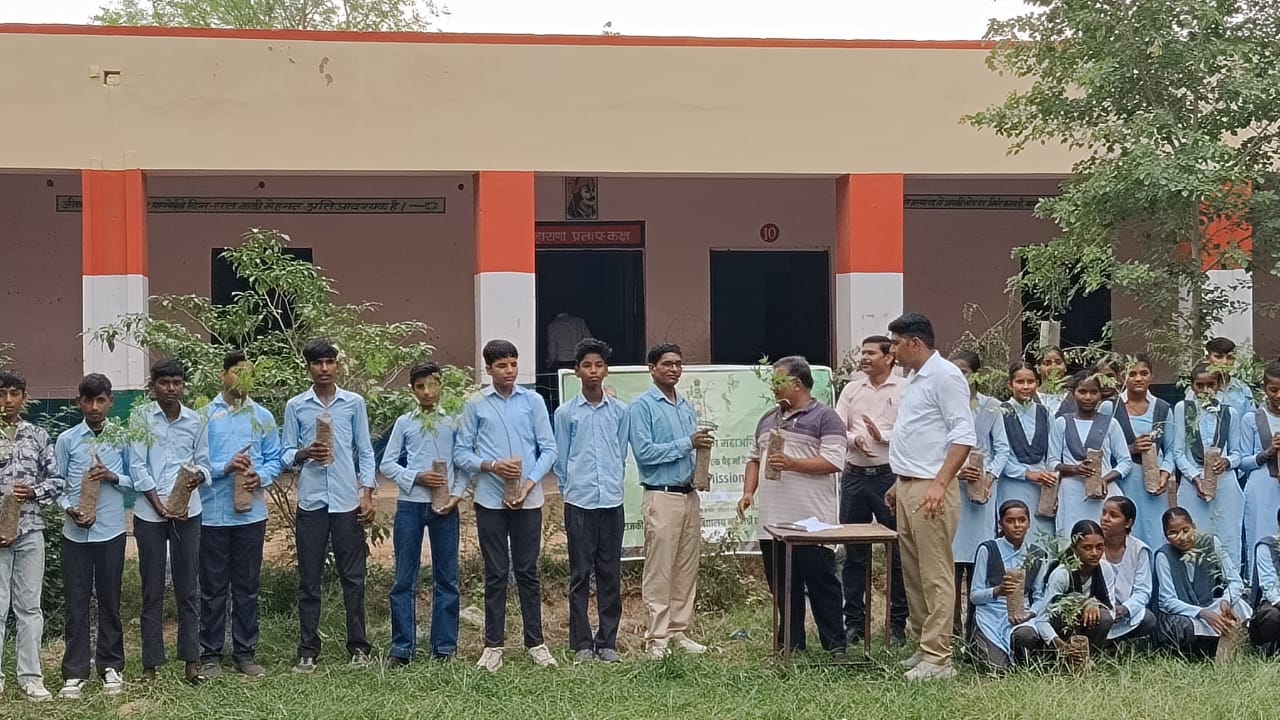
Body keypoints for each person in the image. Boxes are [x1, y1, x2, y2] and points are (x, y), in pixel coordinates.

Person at [454, 339, 559, 672]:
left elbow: (549, 449)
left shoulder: (533, 401)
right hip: (491, 501)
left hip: (529, 500)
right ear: (488, 369)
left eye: (513, 364)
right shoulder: (476, 404)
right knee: (496, 573)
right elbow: (461, 453)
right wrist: (491, 466)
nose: (509, 371)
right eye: (502, 365)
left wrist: (529, 484)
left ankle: (536, 643)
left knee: (527, 572)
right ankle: (493, 646)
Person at [883, 313, 975, 681]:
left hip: (932, 487)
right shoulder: (915, 379)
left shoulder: (946, 376)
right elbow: (919, 435)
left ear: (915, 343)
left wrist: (939, 483)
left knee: (935, 571)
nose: (892, 351)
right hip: (909, 484)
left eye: (895, 343)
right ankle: (925, 646)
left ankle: (940, 658)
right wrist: (899, 482)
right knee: (914, 571)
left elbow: (963, 436)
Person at [738, 356, 848, 658]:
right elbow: (754, 459)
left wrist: (791, 463)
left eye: (778, 381)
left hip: (812, 522)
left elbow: (833, 461)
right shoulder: (767, 418)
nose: (773, 387)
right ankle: (791, 643)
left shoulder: (826, 417)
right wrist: (748, 492)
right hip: (772, 522)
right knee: (783, 586)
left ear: (797, 383)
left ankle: (835, 645)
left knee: (822, 583)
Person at [282, 338, 378, 673]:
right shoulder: (297, 406)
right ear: (308, 367)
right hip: (312, 502)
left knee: (353, 577)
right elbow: (285, 454)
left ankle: (358, 647)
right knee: (309, 578)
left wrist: (367, 494)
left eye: (329, 362)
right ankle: (308, 650)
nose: (324, 369)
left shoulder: (353, 403)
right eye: (317, 363)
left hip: (346, 502)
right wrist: (304, 453)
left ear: (337, 365)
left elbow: (365, 451)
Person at [198, 350, 282, 678]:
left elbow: (275, 459)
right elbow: (198, 463)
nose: (242, 378)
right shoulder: (205, 416)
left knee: (247, 586)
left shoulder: (263, 416)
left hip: (251, 516)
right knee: (213, 587)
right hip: (211, 514)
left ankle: (245, 652)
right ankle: (210, 654)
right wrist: (225, 467)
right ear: (223, 375)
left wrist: (260, 476)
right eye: (236, 371)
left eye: (248, 373)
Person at [129, 359, 212, 685]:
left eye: (177, 382)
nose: (171, 388)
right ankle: (150, 666)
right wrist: (160, 505)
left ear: (183, 386)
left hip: (188, 513)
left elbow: (204, 463)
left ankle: (192, 663)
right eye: (164, 383)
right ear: (153, 386)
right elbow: (137, 466)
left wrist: (197, 479)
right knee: (152, 590)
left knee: (188, 589)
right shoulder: (141, 418)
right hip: (150, 514)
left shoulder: (196, 420)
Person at [628, 342, 713, 658]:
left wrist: (699, 469)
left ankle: (678, 630)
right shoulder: (642, 406)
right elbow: (645, 453)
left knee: (686, 566)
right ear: (652, 369)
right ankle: (657, 638)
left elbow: (691, 449)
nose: (674, 369)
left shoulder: (685, 405)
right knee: (660, 569)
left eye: (678, 363)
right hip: (661, 495)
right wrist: (687, 443)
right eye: (667, 364)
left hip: (689, 495)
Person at [381, 361, 467, 667]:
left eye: (432, 384)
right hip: (411, 504)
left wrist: (457, 495)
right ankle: (402, 648)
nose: (427, 392)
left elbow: (464, 462)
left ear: (442, 385)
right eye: (420, 386)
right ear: (412, 390)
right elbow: (387, 464)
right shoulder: (405, 422)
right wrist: (416, 477)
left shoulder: (455, 420)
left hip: (446, 506)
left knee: (447, 577)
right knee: (404, 577)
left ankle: (444, 647)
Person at [55, 373, 132, 699]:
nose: (95, 407)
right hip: (75, 535)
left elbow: (135, 480)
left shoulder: (122, 438)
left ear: (111, 402)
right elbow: (57, 485)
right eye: (88, 401)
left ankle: (111, 666)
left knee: (110, 600)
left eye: (101, 400)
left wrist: (113, 476)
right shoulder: (67, 440)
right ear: (79, 403)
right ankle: (75, 671)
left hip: (111, 531)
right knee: (76, 603)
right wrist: (69, 508)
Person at [553, 339, 629, 665]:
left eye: (598, 365)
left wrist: (611, 481)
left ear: (606, 370)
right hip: (580, 502)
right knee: (580, 575)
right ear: (577, 372)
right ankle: (582, 643)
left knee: (610, 574)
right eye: (587, 366)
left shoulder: (620, 411)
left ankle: (607, 641)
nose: (593, 371)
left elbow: (620, 452)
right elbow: (561, 458)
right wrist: (570, 489)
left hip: (611, 501)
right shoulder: (565, 413)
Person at [833, 334, 907, 644]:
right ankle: (854, 623)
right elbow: (838, 427)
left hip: (889, 476)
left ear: (889, 357)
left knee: (897, 553)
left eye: (871, 353)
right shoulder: (852, 389)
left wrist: (882, 436)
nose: (864, 358)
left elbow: (911, 430)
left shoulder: (904, 388)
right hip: (854, 477)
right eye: (862, 352)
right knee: (854, 554)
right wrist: (855, 439)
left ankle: (897, 624)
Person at [0, 370, 63, 702]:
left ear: (25, 397)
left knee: (29, 607)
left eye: (14, 393)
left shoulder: (37, 435)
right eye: (2, 393)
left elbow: (57, 480)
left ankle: (31, 677)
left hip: (30, 530)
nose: (7, 400)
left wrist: (34, 491)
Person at [948, 350, 1010, 641]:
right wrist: (956, 472)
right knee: (951, 562)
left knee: (978, 560)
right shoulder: (944, 406)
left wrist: (988, 478)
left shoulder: (991, 407)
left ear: (976, 375)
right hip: (953, 491)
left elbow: (1003, 449)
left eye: (963, 371)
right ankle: (950, 630)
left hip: (982, 494)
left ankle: (977, 629)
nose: (958, 377)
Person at [1172, 363, 1245, 567]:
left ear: (1219, 385)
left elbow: (1237, 453)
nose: (1205, 390)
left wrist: (1227, 462)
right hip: (1192, 481)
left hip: (1224, 481)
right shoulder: (1183, 409)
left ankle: (1230, 580)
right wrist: (1195, 478)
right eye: (1200, 385)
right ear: (1192, 386)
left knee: (1227, 533)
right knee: (1194, 534)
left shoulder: (1229, 413)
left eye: (1210, 385)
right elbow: (1178, 452)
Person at [1153, 507, 1250, 659]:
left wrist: (1225, 601)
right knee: (1178, 626)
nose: (1182, 537)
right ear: (1166, 536)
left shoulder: (1211, 543)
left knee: (1240, 605)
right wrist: (1201, 613)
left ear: (1194, 527)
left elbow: (1235, 581)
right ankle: (1205, 648)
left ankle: (1220, 644)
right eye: (1173, 533)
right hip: (1186, 613)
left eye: (1186, 530)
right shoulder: (1163, 555)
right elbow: (1167, 600)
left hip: (1212, 605)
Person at [1047, 372, 1132, 537]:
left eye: (1093, 392)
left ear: (1100, 394)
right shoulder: (1062, 423)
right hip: (1071, 493)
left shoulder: (1110, 424)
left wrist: (1105, 479)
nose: (1088, 397)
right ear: (1073, 393)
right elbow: (1052, 461)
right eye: (1082, 392)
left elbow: (1125, 461)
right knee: (1071, 538)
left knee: (1103, 537)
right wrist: (1075, 469)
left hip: (1103, 493)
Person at [967, 500, 1043, 672]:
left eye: (1022, 520)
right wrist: (997, 590)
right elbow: (974, 595)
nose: (1017, 526)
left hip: (1021, 616)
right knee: (997, 669)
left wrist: (1029, 613)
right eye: (1010, 521)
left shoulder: (1036, 554)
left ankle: (1021, 661)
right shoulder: (988, 549)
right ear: (1001, 523)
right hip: (990, 616)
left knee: (1026, 635)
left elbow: (1040, 596)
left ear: (1029, 523)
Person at [1113, 354, 1176, 549]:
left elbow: (1171, 449)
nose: (1138, 378)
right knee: (1128, 529)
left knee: (1155, 530)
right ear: (1122, 377)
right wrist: (1131, 448)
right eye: (1132, 374)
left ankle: (1157, 568)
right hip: (1125, 480)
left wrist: (1165, 474)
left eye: (1143, 373)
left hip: (1155, 482)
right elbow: (1104, 449)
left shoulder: (1163, 408)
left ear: (1152, 376)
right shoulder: (1112, 407)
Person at [1029, 520, 1115, 654]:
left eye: (1099, 547)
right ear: (1074, 548)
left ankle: (1088, 656)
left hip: (1087, 626)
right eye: (1087, 548)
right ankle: (1060, 657)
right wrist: (1061, 645)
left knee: (1104, 617)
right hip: (1061, 630)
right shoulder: (1062, 574)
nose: (1095, 553)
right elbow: (1042, 620)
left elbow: (1111, 610)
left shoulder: (1105, 569)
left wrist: (1095, 604)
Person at [998, 362, 1057, 541]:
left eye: (1030, 382)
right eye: (1020, 382)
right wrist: (1027, 474)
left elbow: (1053, 452)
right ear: (1010, 384)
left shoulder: (1045, 413)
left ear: (1037, 384)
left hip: (1041, 486)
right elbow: (1000, 453)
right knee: (1014, 531)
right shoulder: (1000, 412)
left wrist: (1048, 479)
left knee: (1041, 535)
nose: (1025, 386)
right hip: (1012, 484)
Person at [1238, 361, 1280, 572]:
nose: (1278, 395)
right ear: (1264, 388)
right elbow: (1242, 462)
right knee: (1261, 535)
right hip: (1262, 485)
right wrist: (1268, 452)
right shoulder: (1252, 418)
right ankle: (1260, 585)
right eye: (1273, 390)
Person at [1099, 496, 1157, 645]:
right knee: (1103, 618)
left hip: (1122, 612)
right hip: (1097, 611)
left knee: (1148, 619)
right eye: (1104, 513)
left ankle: (1113, 643)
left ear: (1128, 523)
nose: (1105, 519)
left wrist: (1125, 609)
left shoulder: (1139, 550)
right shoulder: (1093, 545)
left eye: (1113, 515)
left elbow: (1143, 590)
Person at [1248, 506, 1280, 655]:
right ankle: (1270, 648)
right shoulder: (1267, 546)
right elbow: (1270, 589)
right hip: (1274, 603)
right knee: (1271, 616)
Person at [1205, 337, 1256, 419]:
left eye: (1229, 357)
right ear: (1208, 358)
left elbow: (1250, 421)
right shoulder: (1199, 387)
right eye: (1219, 357)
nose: (1225, 362)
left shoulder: (1243, 389)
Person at [1036, 346, 1068, 416]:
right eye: (1047, 364)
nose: (1054, 367)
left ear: (1065, 367)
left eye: (1058, 363)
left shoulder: (1073, 398)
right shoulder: (1030, 398)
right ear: (1038, 368)